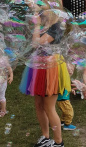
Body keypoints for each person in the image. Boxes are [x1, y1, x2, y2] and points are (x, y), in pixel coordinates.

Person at [19, 10, 70, 147]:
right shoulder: (45, 25)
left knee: (49, 106)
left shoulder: (56, 27)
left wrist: (36, 25)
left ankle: (59, 142)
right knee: (39, 105)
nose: (42, 10)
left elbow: (36, 43)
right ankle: (46, 136)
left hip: (51, 68)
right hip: (38, 66)